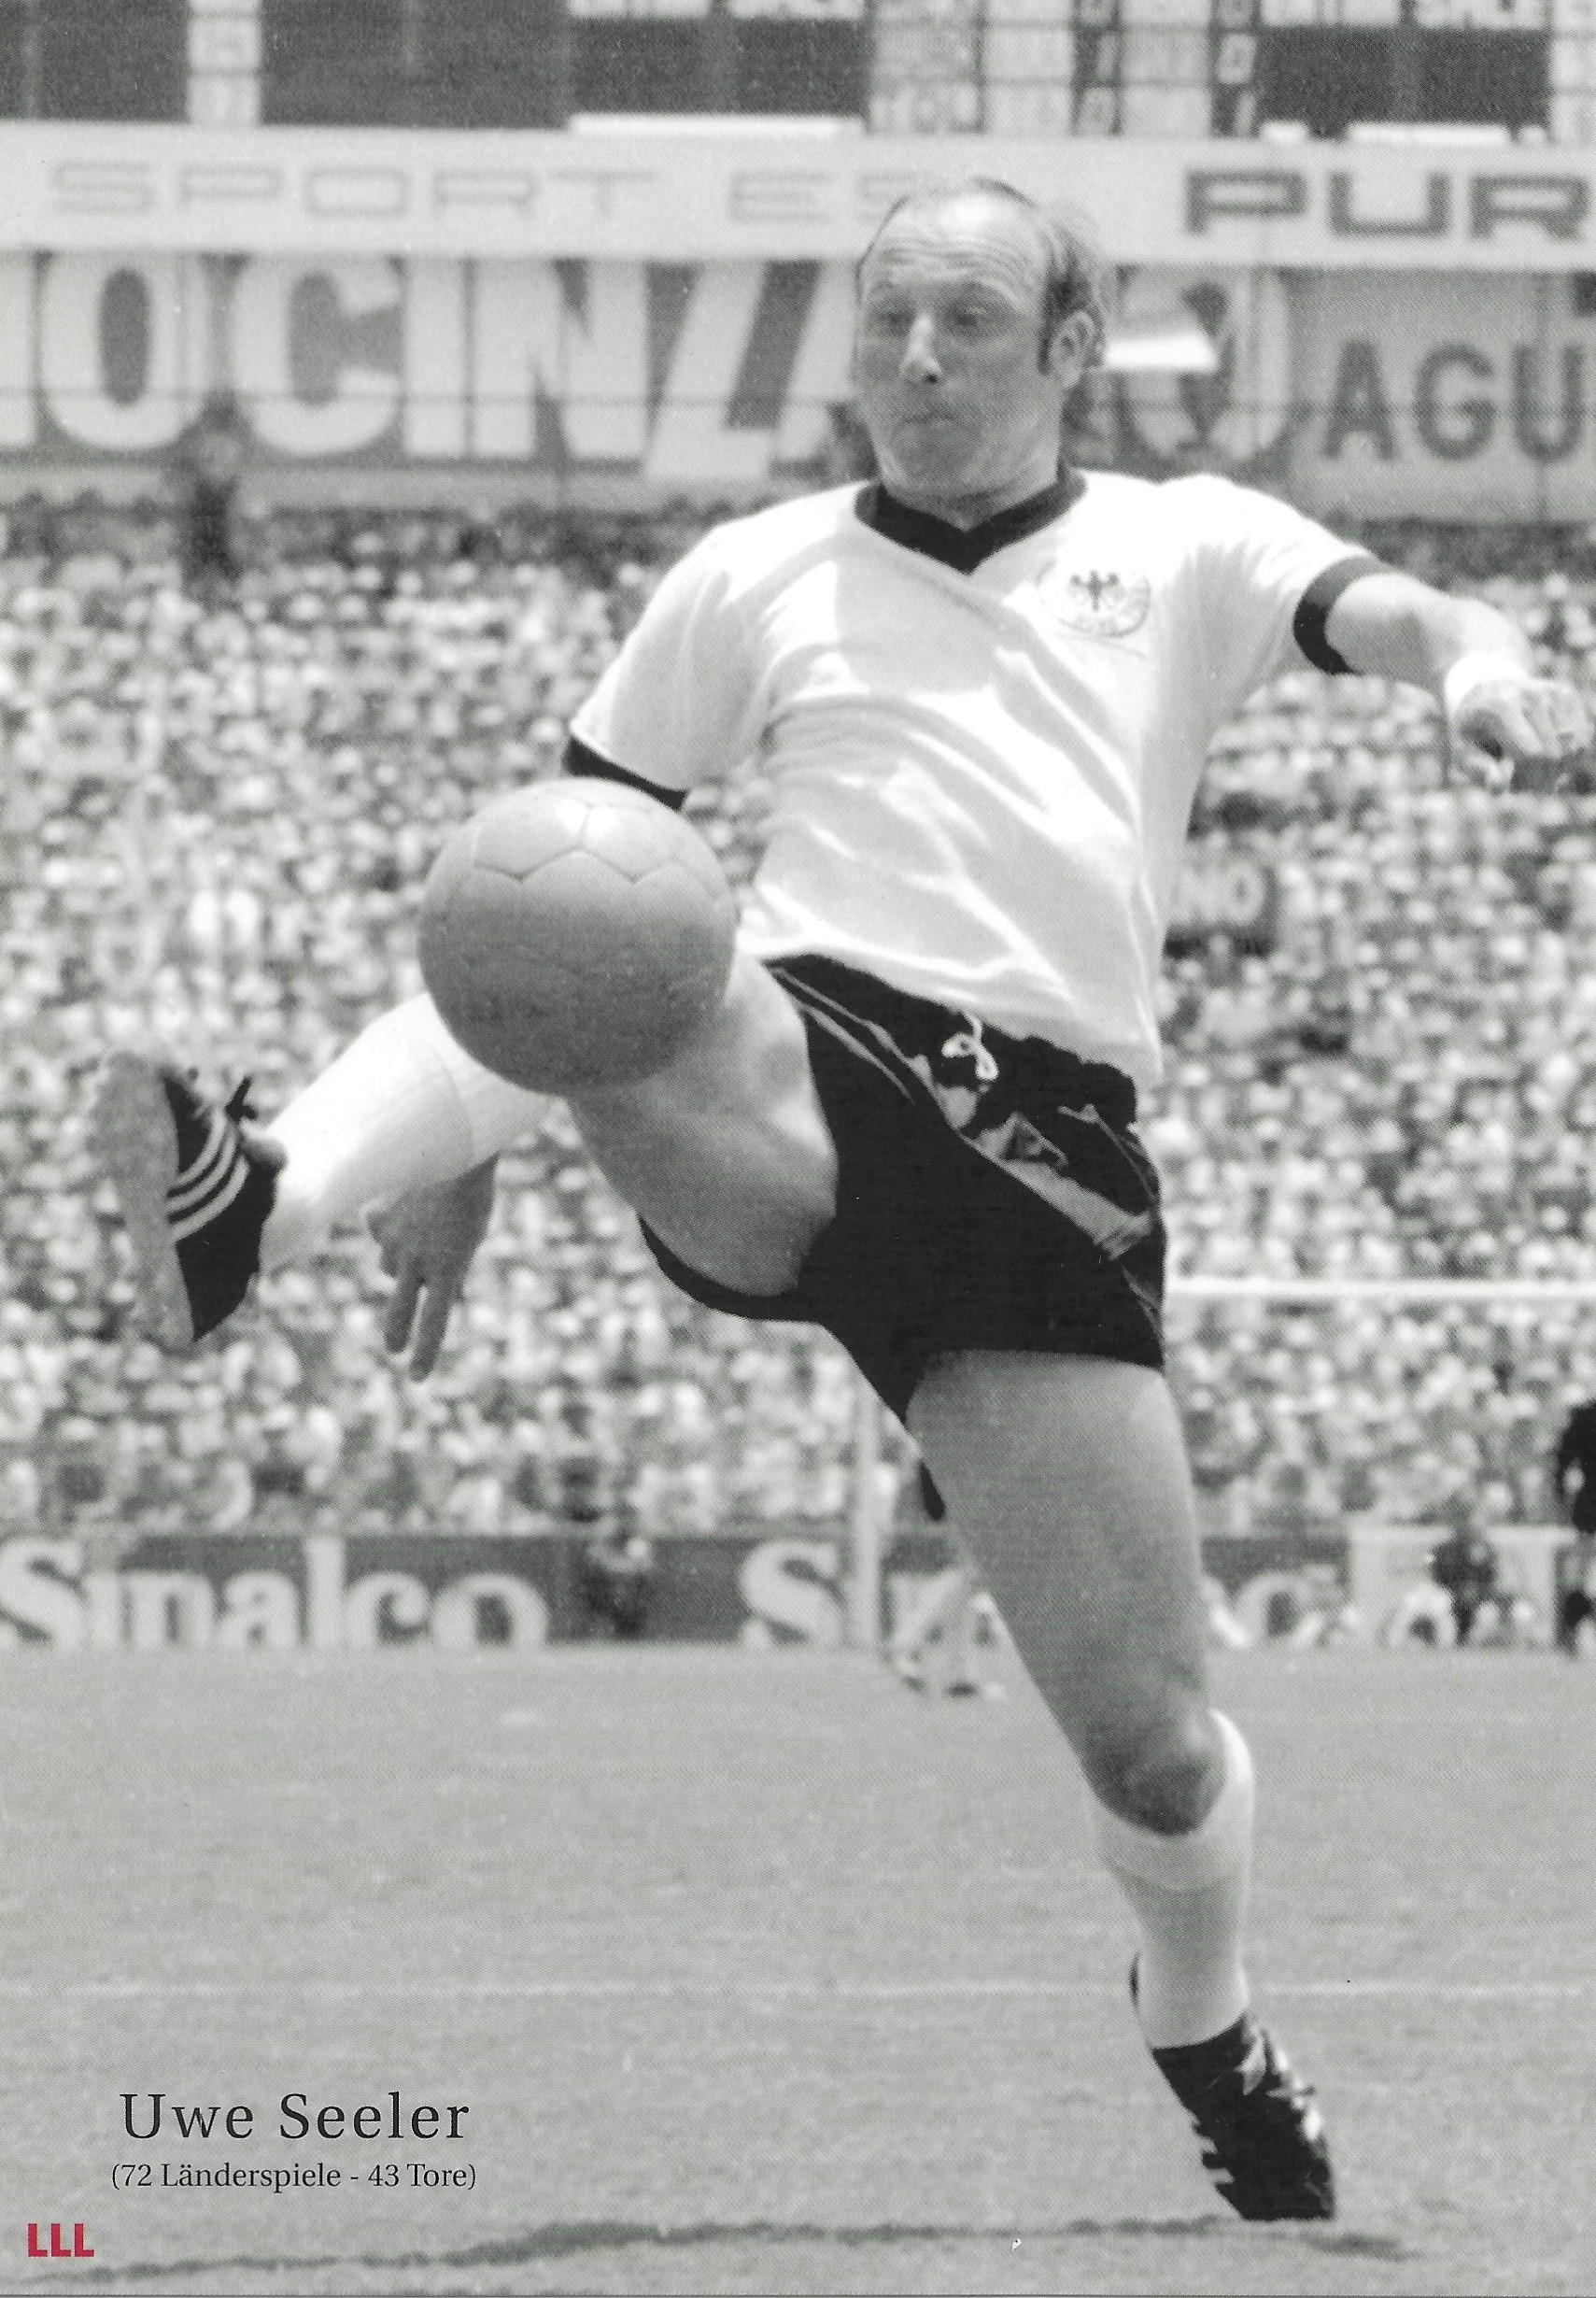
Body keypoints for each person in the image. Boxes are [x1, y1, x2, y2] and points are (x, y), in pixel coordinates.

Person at [92, 177, 1593, 2222]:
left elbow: (1403, 618)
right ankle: (254, 1210)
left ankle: (1203, 2020)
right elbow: (535, 899)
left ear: (1069, 348)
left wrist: (1479, 673)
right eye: (884, 317)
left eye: (964, 319)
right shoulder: (750, 571)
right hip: (787, 1072)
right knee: (609, 905)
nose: (913, 357)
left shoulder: (1183, 542)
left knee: (1156, 1759)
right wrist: (446, 1156)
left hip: (1041, 1156)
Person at [1551, 1398, 1596, 1653]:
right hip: (1590, 1504)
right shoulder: (1585, 1417)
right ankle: (1573, 1629)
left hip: (1588, 1502)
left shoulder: (1583, 1417)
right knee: (1581, 1572)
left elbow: (1563, 1461)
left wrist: (1560, 1494)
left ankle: (1571, 1630)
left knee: (1580, 1573)